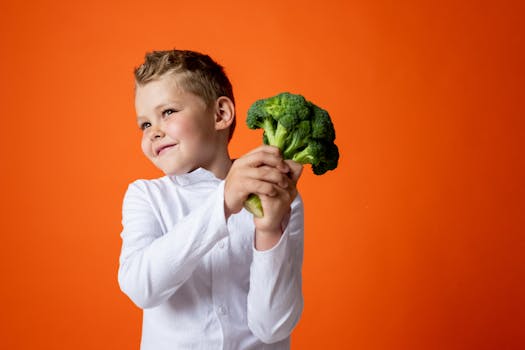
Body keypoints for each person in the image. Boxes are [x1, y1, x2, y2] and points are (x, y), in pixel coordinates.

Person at [118, 49, 305, 350]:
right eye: (145, 124)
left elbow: (273, 327)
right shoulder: (146, 196)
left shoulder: (278, 196)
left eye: (167, 112)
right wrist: (224, 201)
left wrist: (270, 230)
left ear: (220, 114)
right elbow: (142, 288)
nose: (154, 132)